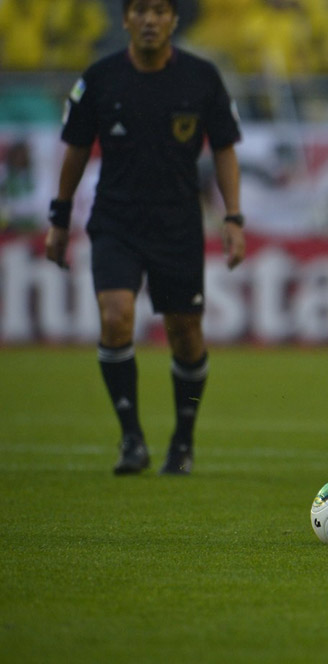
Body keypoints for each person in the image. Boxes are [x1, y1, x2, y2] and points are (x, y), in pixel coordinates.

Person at [44, 0, 245, 476]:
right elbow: (74, 149)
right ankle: (131, 437)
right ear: (126, 18)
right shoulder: (99, 78)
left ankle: (182, 440)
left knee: (185, 334)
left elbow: (224, 149)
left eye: (160, 10)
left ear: (174, 19)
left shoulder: (202, 78)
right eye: (141, 10)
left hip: (177, 225)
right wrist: (60, 215)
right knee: (116, 318)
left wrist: (232, 217)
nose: (150, 19)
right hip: (116, 221)